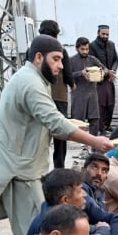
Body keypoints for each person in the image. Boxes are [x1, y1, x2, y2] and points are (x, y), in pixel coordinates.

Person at [0, 35, 113, 235]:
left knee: (34, 230)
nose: (61, 65)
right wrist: (95, 141)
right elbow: (55, 122)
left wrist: (72, 130)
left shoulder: (37, 79)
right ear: (39, 57)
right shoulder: (30, 82)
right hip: (20, 171)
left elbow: (50, 125)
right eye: (56, 59)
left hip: (29, 168)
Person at [38, 20, 75, 169]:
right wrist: (72, 84)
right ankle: (59, 166)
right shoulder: (60, 50)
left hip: (40, 95)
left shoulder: (33, 49)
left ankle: (40, 167)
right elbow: (67, 71)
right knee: (61, 131)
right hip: (58, 95)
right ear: (56, 34)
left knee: (40, 133)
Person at [70, 37, 106, 136]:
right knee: (78, 120)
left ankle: (93, 141)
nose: (85, 51)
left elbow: (104, 69)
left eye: (87, 49)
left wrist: (102, 73)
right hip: (78, 94)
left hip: (92, 93)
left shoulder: (92, 59)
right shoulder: (71, 60)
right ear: (77, 48)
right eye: (82, 49)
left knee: (94, 118)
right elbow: (67, 75)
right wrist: (80, 73)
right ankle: (79, 141)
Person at [90, 24, 118, 134]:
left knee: (110, 104)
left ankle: (107, 125)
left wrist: (113, 71)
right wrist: (108, 72)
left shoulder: (111, 45)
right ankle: (101, 127)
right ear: (98, 33)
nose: (105, 36)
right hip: (99, 80)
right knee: (101, 105)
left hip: (110, 79)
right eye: (103, 34)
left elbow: (116, 60)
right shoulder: (92, 46)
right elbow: (93, 62)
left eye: (107, 34)